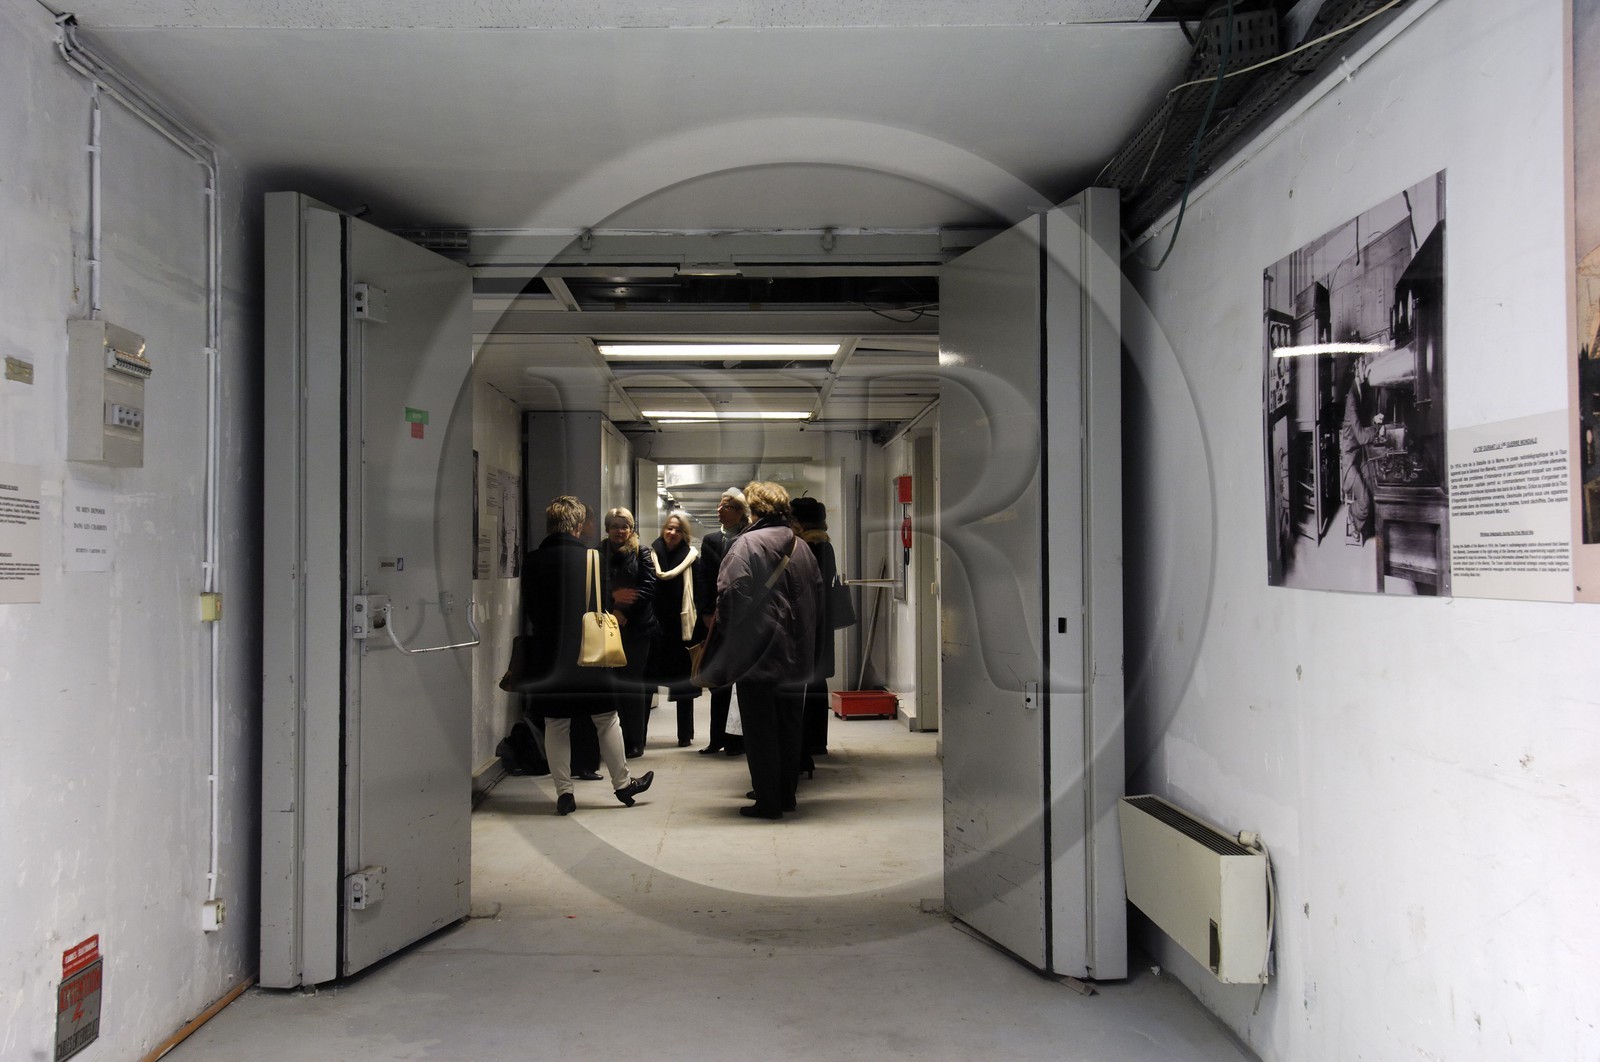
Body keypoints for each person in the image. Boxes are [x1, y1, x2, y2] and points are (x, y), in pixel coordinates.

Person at [520, 496, 653, 815]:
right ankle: (623, 785)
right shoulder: (592, 559)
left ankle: (564, 793)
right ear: (578, 526)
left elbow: (531, 609)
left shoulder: (533, 560)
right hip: (587, 653)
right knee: (606, 719)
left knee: (556, 723)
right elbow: (601, 604)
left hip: (549, 654)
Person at [699, 481, 824, 820]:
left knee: (760, 729)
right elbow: (817, 599)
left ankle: (768, 801)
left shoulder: (745, 545)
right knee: (788, 726)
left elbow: (729, 596)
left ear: (753, 510)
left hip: (759, 655)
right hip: (798, 656)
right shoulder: (802, 548)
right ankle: (786, 795)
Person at [695, 487, 750, 756]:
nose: (719, 509)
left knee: (741, 684)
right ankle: (716, 737)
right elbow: (703, 579)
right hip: (717, 619)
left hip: (744, 620)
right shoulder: (711, 540)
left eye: (726, 505)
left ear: (740, 511)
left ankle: (738, 740)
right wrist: (706, 613)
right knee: (718, 682)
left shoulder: (750, 537)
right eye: (719, 504)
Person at [600, 507, 658, 757]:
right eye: (614, 526)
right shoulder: (597, 553)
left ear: (631, 529)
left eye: (624, 526)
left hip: (636, 628)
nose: (619, 531)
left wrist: (624, 611)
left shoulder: (642, 552)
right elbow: (595, 585)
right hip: (606, 625)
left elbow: (648, 587)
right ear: (607, 529)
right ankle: (612, 740)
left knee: (633, 685)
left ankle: (635, 740)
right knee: (610, 685)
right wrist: (611, 609)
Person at [789, 496, 837, 770]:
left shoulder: (810, 545)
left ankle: (808, 741)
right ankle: (817, 740)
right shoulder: (824, 543)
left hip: (810, 620)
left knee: (807, 681)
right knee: (817, 680)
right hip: (822, 619)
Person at [646, 510, 701, 747]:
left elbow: (698, 592)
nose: (672, 533)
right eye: (669, 528)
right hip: (654, 627)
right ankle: (639, 735)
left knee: (683, 685)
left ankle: (685, 735)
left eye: (678, 530)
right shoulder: (650, 556)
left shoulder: (691, 558)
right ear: (663, 529)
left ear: (684, 534)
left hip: (682, 629)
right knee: (646, 684)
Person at [1339, 358, 1383, 542]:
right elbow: (1363, 436)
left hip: (1360, 453)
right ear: (1356, 368)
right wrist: (1377, 429)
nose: (1368, 367)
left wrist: (1374, 421)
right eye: (1364, 364)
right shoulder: (1351, 397)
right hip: (1350, 457)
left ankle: (1372, 528)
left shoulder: (1361, 389)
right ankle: (1351, 513)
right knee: (1364, 502)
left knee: (1375, 489)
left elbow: (1363, 426)